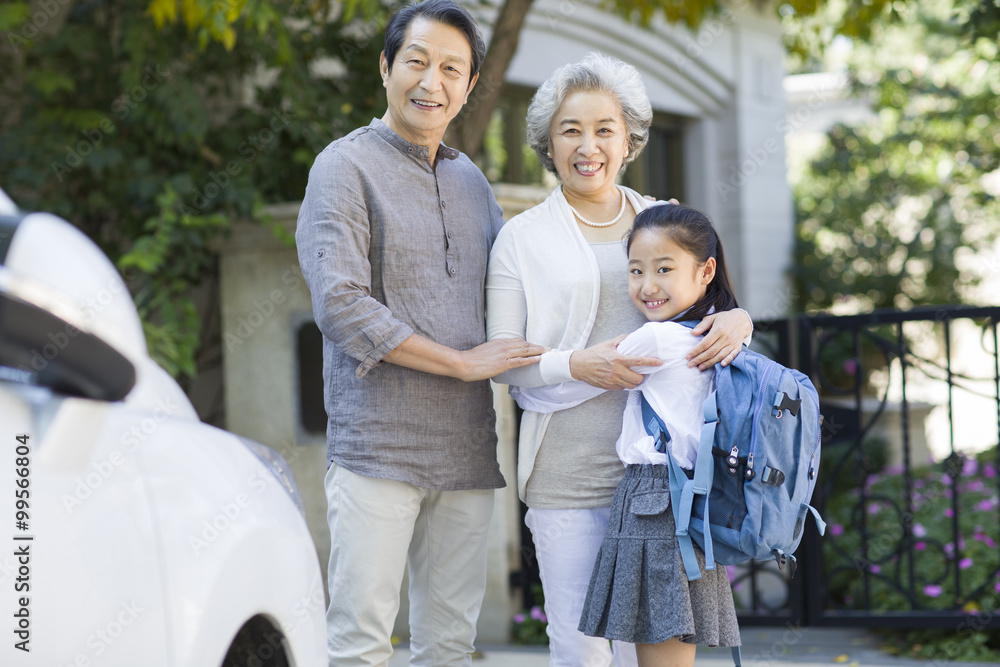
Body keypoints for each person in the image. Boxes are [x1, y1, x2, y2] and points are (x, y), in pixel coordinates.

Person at [294, 1, 545, 665]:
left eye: (451, 69)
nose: (431, 81)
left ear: (467, 87)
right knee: (361, 641)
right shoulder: (342, 168)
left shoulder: (471, 180)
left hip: (466, 449)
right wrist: (462, 364)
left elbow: (523, 290)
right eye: (417, 61)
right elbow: (342, 304)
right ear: (386, 67)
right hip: (378, 445)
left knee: (449, 646)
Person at [485, 52, 752, 667]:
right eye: (570, 130)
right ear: (547, 144)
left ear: (628, 138)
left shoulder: (663, 217)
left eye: (604, 129)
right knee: (580, 647)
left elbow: (713, 311)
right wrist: (577, 365)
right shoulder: (521, 237)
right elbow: (502, 359)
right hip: (567, 470)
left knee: (654, 644)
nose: (588, 145)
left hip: (665, 479)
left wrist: (740, 319)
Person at [511, 203, 743, 667]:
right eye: (635, 271)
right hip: (692, 500)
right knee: (668, 652)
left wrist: (530, 384)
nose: (647, 285)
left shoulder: (654, 340)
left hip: (652, 502)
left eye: (664, 269)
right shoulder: (717, 338)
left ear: (706, 271)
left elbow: (534, 391)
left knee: (640, 651)